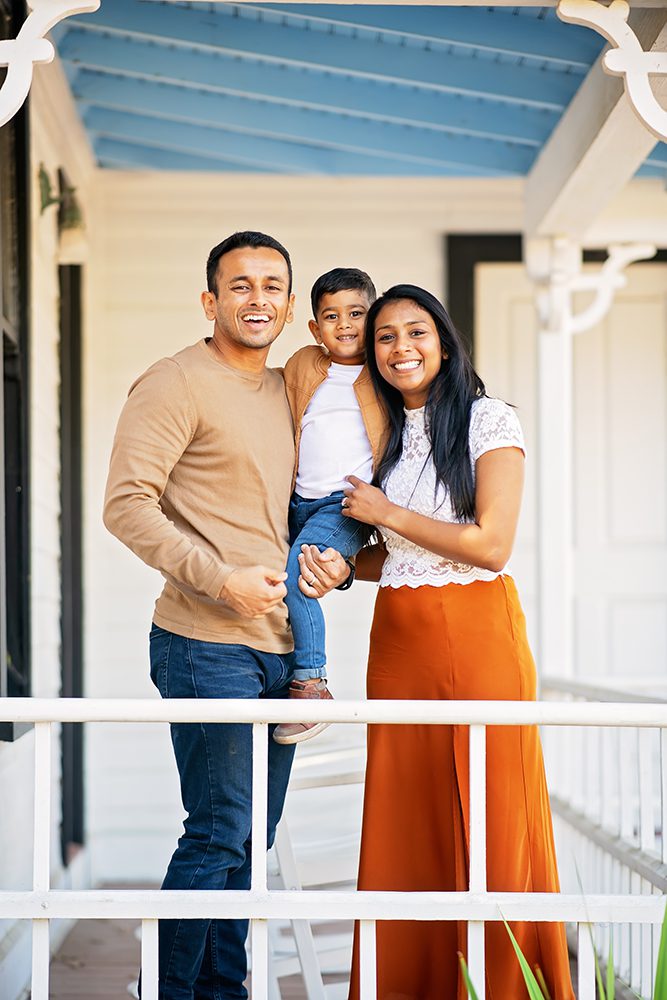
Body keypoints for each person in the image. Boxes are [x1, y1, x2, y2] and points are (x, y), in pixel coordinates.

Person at [102, 231, 349, 1000]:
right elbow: (125, 506)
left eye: (272, 285)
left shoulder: (288, 390)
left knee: (249, 839)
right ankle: (170, 991)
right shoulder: (175, 381)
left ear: (289, 303)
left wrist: (335, 567)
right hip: (204, 639)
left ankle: (221, 991)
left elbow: (293, 516)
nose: (257, 298)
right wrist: (219, 581)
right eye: (239, 285)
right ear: (210, 301)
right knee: (217, 830)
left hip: (279, 646)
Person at [339, 285, 575, 1000]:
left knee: (490, 812)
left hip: (478, 636)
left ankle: (499, 985)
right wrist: (343, 567)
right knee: (403, 816)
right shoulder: (380, 434)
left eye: (415, 332)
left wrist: (386, 513)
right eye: (383, 335)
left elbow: (489, 545)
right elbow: (397, 559)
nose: (400, 347)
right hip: (400, 643)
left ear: (443, 341)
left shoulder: (486, 419)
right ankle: (408, 984)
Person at [273, 268, 387, 745]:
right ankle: (277, 673)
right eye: (331, 316)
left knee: (300, 578)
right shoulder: (303, 364)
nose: (344, 325)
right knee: (278, 582)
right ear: (315, 327)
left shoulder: (384, 374)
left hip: (345, 504)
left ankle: (312, 684)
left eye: (357, 314)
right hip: (295, 498)